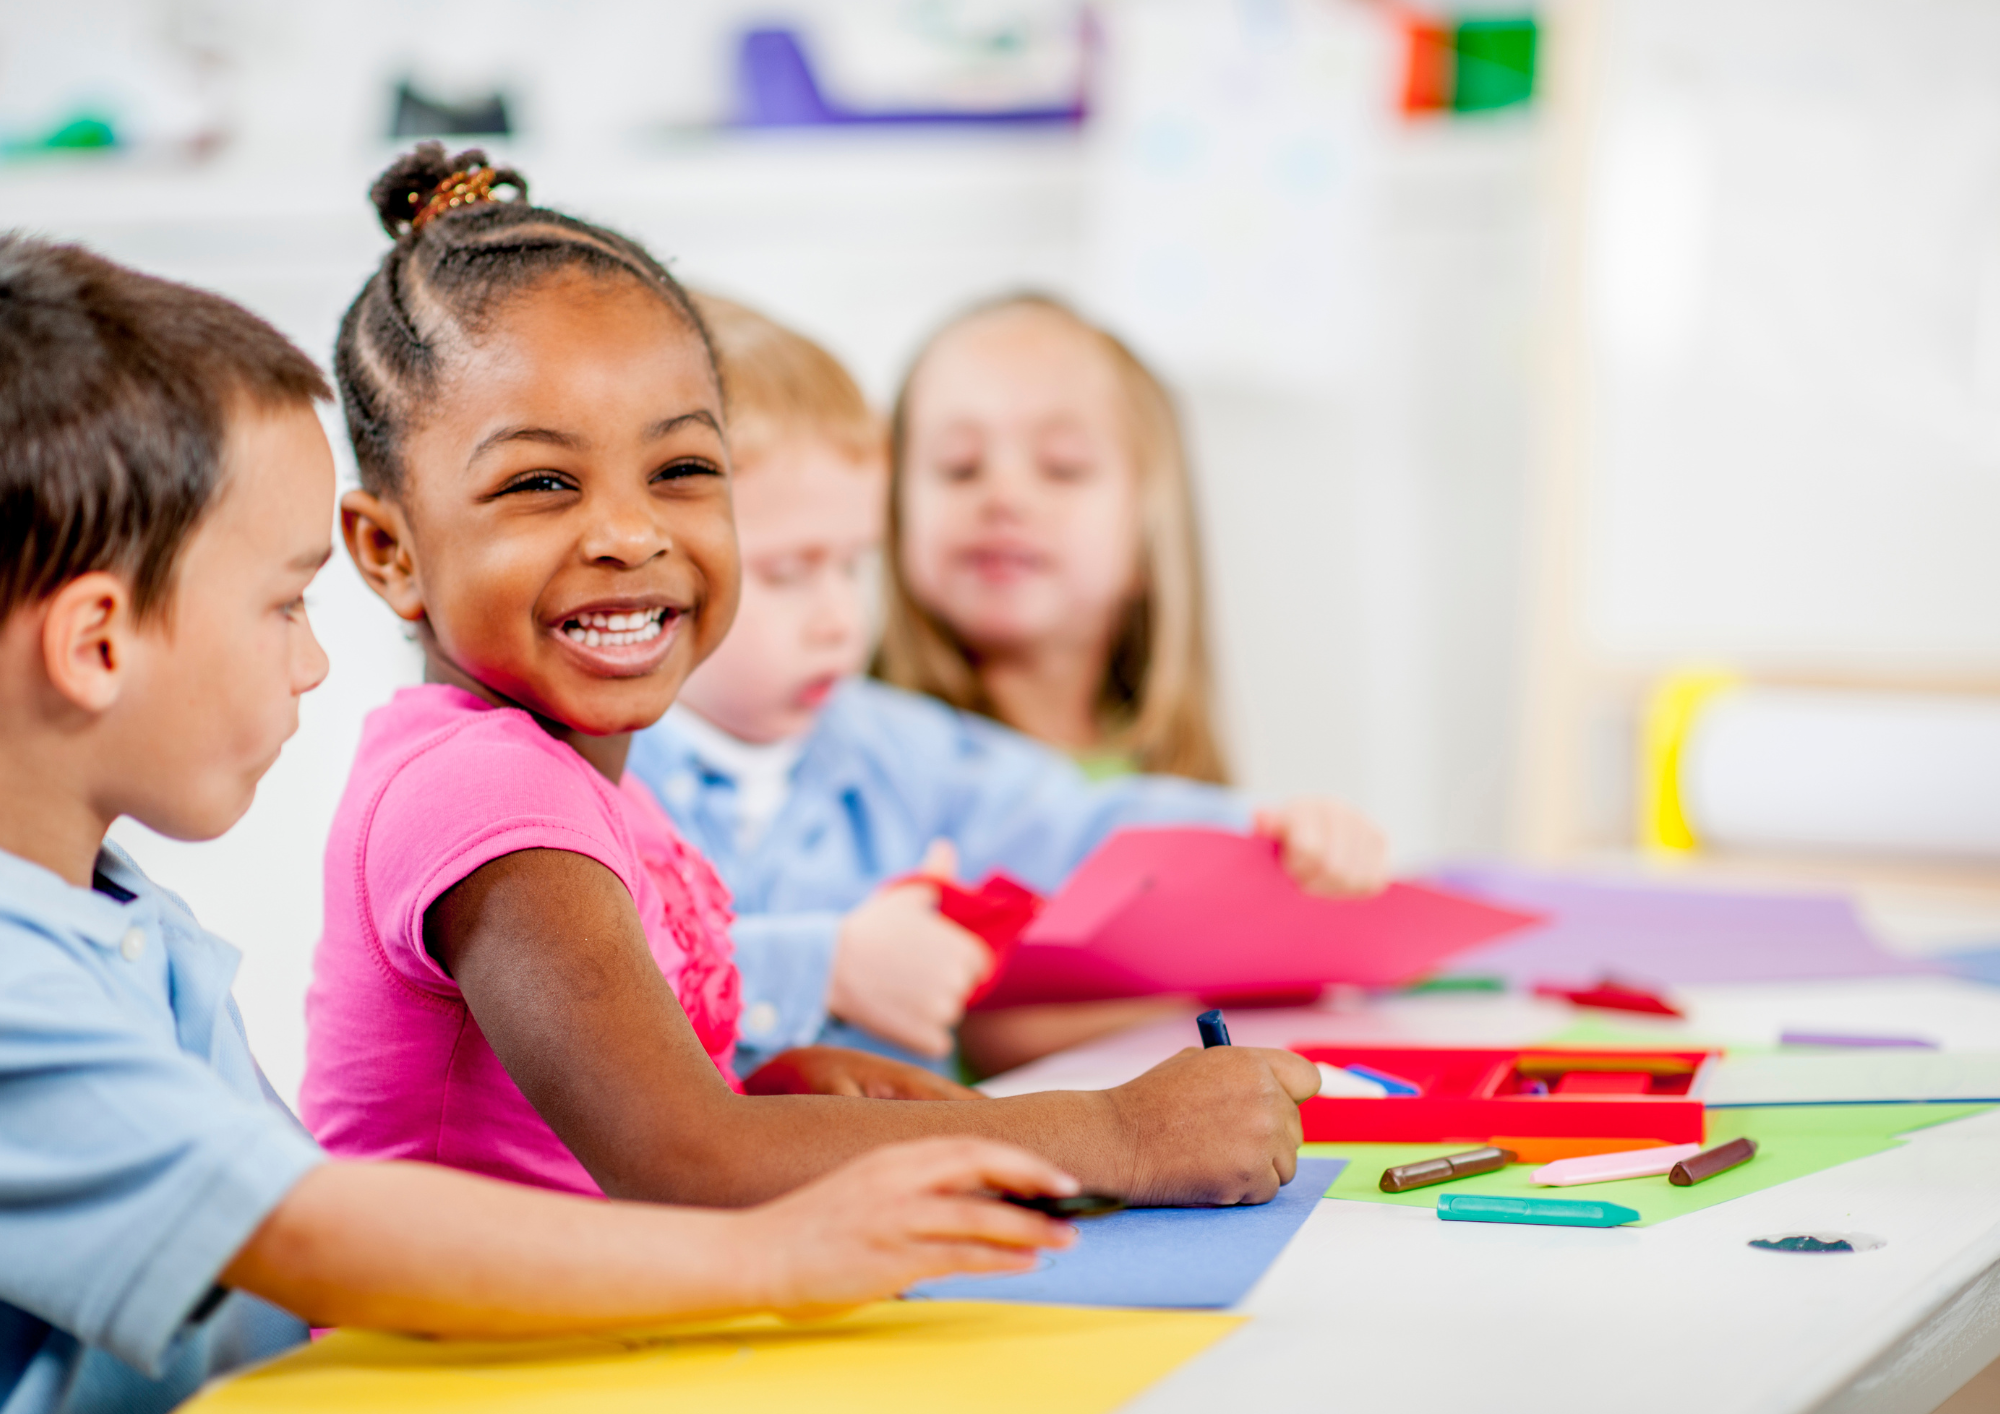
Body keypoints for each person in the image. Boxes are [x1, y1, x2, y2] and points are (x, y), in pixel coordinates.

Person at [0, 233, 1081, 1414]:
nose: (312, 662)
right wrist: (776, 1253)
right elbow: (302, 1227)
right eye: (283, 604)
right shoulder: (16, 988)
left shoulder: (120, 921)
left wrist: (764, 1112)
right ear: (97, 643)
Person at [303, 144, 1319, 1213]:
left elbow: (622, 1129)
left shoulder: (592, 784)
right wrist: (1119, 1131)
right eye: (541, 481)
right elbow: (685, 1159)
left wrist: (776, 1089)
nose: (629, 532)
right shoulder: (486, 794)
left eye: (681, 470)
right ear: (389, 552)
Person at [636, 295, 1390, 1078]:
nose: (840, 619)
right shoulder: (599, 771)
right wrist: (826, 969)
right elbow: (589, 982)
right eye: (790, 572)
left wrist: (1270, 832)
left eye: (856, 566)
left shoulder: (896, 745)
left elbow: (1077, 824)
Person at [878, 294, 1230, 781]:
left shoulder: (1179, 798)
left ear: (1148, 535)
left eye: (1063, 467)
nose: (1004, 497)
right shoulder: (856, 767)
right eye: (959, 467)